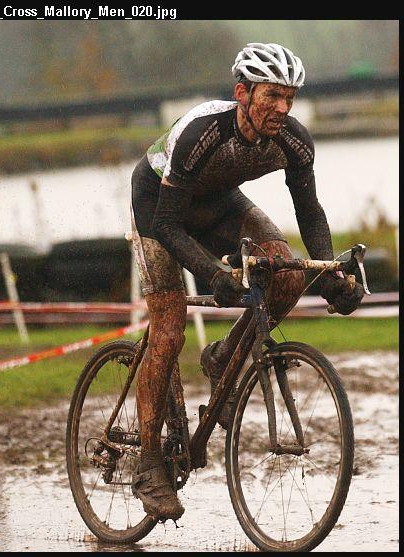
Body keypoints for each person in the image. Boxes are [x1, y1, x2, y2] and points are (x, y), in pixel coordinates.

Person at [129, 43, 364, 521]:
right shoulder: (203, 132)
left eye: (290, 97)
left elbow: (309, 211)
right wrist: (215, 274)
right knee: (169, 331)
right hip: (157, 208)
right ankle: (149, 459)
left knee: (287, 270)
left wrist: (330, 274)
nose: (282, 108)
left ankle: (224, 356)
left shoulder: (293, 141)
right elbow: (169, 225)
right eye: (272, 96)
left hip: (219, 204)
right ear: (243, 92)